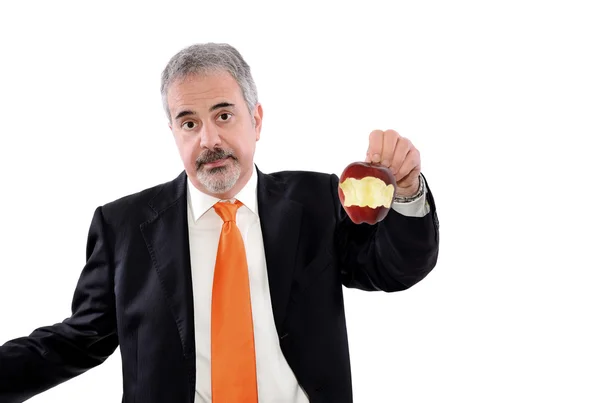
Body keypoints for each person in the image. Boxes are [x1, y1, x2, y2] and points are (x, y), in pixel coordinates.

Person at [0, 43, 440, 403]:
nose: (208, 139)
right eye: (188, 122)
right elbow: (77, 340)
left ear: (257, 120)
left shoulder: (317, 201)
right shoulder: (123, 226)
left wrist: (406, 191)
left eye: (224, 115)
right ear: (173, 131)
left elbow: (394, 269)